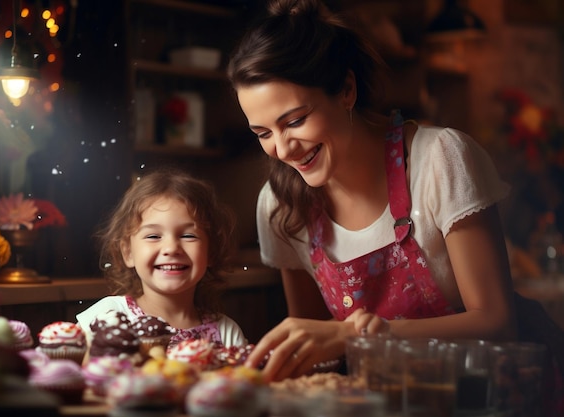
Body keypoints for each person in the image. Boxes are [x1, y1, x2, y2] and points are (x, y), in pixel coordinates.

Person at [228, 2, 563, 412]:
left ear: (346, 89)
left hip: (493, 394)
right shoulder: (280, 206)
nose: (282, 150)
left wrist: (367, 334)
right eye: (263, 132)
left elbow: (496, 323)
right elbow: (321, 351)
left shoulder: (441, 159)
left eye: (295, 120)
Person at [76, 170, 247, 360]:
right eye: (153, 236)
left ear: (211, 252)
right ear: (128, 252)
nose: (171, 248)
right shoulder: (106, 316)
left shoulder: (227, 333)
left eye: (188, 235)